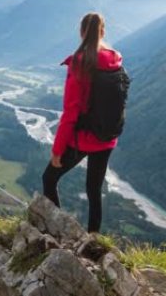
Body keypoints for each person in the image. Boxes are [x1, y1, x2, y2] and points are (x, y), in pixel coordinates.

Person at [42, 12, 123, 234]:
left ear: (81, 32)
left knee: (49, 178)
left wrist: (58, 150)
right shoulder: (115, 59)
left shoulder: (80, 64)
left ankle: (57, 232)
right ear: (103, 31)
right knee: (94, 190)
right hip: (107, 137)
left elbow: (70, 114)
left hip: (83, 139)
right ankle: (93, 239)